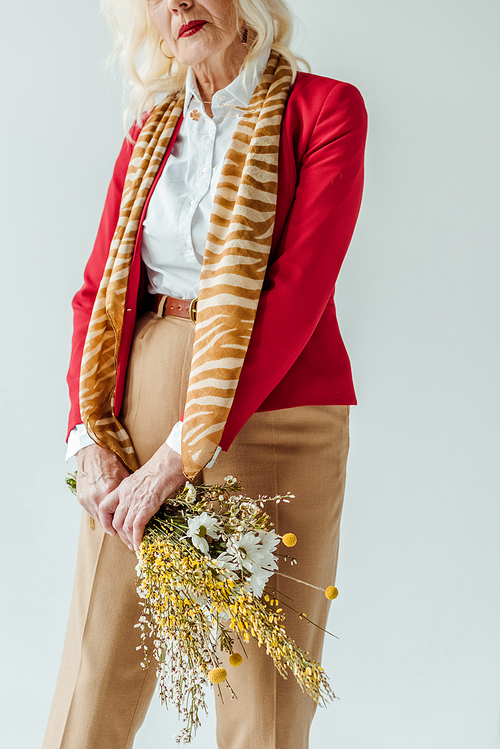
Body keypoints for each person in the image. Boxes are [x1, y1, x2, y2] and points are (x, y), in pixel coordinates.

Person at [43, 0, 367, 747]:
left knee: (265, 700)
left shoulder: (327, 111)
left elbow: (297, 294)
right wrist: (85, 438)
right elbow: (96, 293)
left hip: (277, 414)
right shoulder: (150, 130)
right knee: (94, 677)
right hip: (138, 403)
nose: (177, 4)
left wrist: (178, 458)